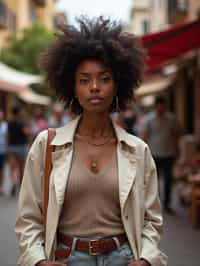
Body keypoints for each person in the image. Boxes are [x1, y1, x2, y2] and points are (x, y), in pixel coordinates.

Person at [15, 17, 167, 266]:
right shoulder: (47, 145)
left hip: (124, 258)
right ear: (73, 87)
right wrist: (38, 261)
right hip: (66, 258)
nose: (94, 87)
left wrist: (146, 259)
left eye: (104, 79)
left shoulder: (138, 151)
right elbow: (28, 217)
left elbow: (152, 220)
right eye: (84, 80)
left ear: (118, 85)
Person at [141, 96, 179, 214]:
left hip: (168, 154)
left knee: (168, 180)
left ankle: (167, 204)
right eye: (159, 106)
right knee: (154, 182)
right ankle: (154, 205)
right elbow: (144, 136)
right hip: (154, 154)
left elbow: (175, 135)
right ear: (156, 106)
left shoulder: (171, 119)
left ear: (165, 106)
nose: (161, 108)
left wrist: (177, 150)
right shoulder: (149, 119)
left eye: (163, 106)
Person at [7, 106, 30, 195]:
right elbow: (26, 132)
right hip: (21, 146)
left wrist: (8, 146)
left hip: (12, 147)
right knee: (21, 168)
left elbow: (8, 135)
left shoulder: (10, 123)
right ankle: (20, 186)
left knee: (12, 168)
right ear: (19, 113)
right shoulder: (22, 123)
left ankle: (14, 181)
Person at [0, 109, 8, 195]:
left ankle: (1, 186)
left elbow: (7, 137)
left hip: (3, 150)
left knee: (1, 169)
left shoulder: (5, 126)